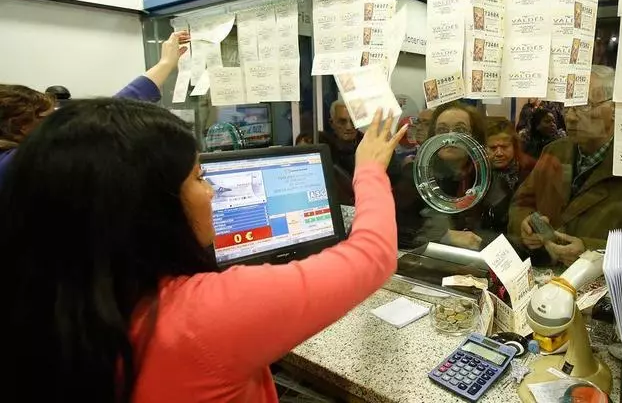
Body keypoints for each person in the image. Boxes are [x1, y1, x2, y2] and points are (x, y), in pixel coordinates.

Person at [0, 102, 405, 401]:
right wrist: (368, 169)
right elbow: (373, 254)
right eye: (198, 176)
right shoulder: (202, 316)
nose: (211, 192)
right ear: (147, 205)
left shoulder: (43, 306)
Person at [509, 68, 622, 266]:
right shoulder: (554, 152)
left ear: (615, 108)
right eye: (568, 106)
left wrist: (594, 253)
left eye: (585, 105)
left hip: (605, 292)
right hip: (544, 281)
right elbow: (520, 204)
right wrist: (525, 223)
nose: (570, 117)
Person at [0, 31, 190, 186]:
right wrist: (165, 64)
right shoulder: (18, 164)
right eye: (48, 119)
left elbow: (107, 115)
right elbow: (103, 122)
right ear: (19, 125)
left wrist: (165, 64)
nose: (56, 127)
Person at [394, 101, 492, 250]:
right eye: (442, 130)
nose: (449, 137)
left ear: (475, 137)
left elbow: (503, 230)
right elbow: (397, 230)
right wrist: (444, 236)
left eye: (460, 129)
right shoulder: (415, 176)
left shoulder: (489, 176)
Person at [482, 120, 534, 235]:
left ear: (514, 146)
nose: (499, 153)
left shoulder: (530, 170)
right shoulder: (478, 172)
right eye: (493, 148)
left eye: (504, 147)